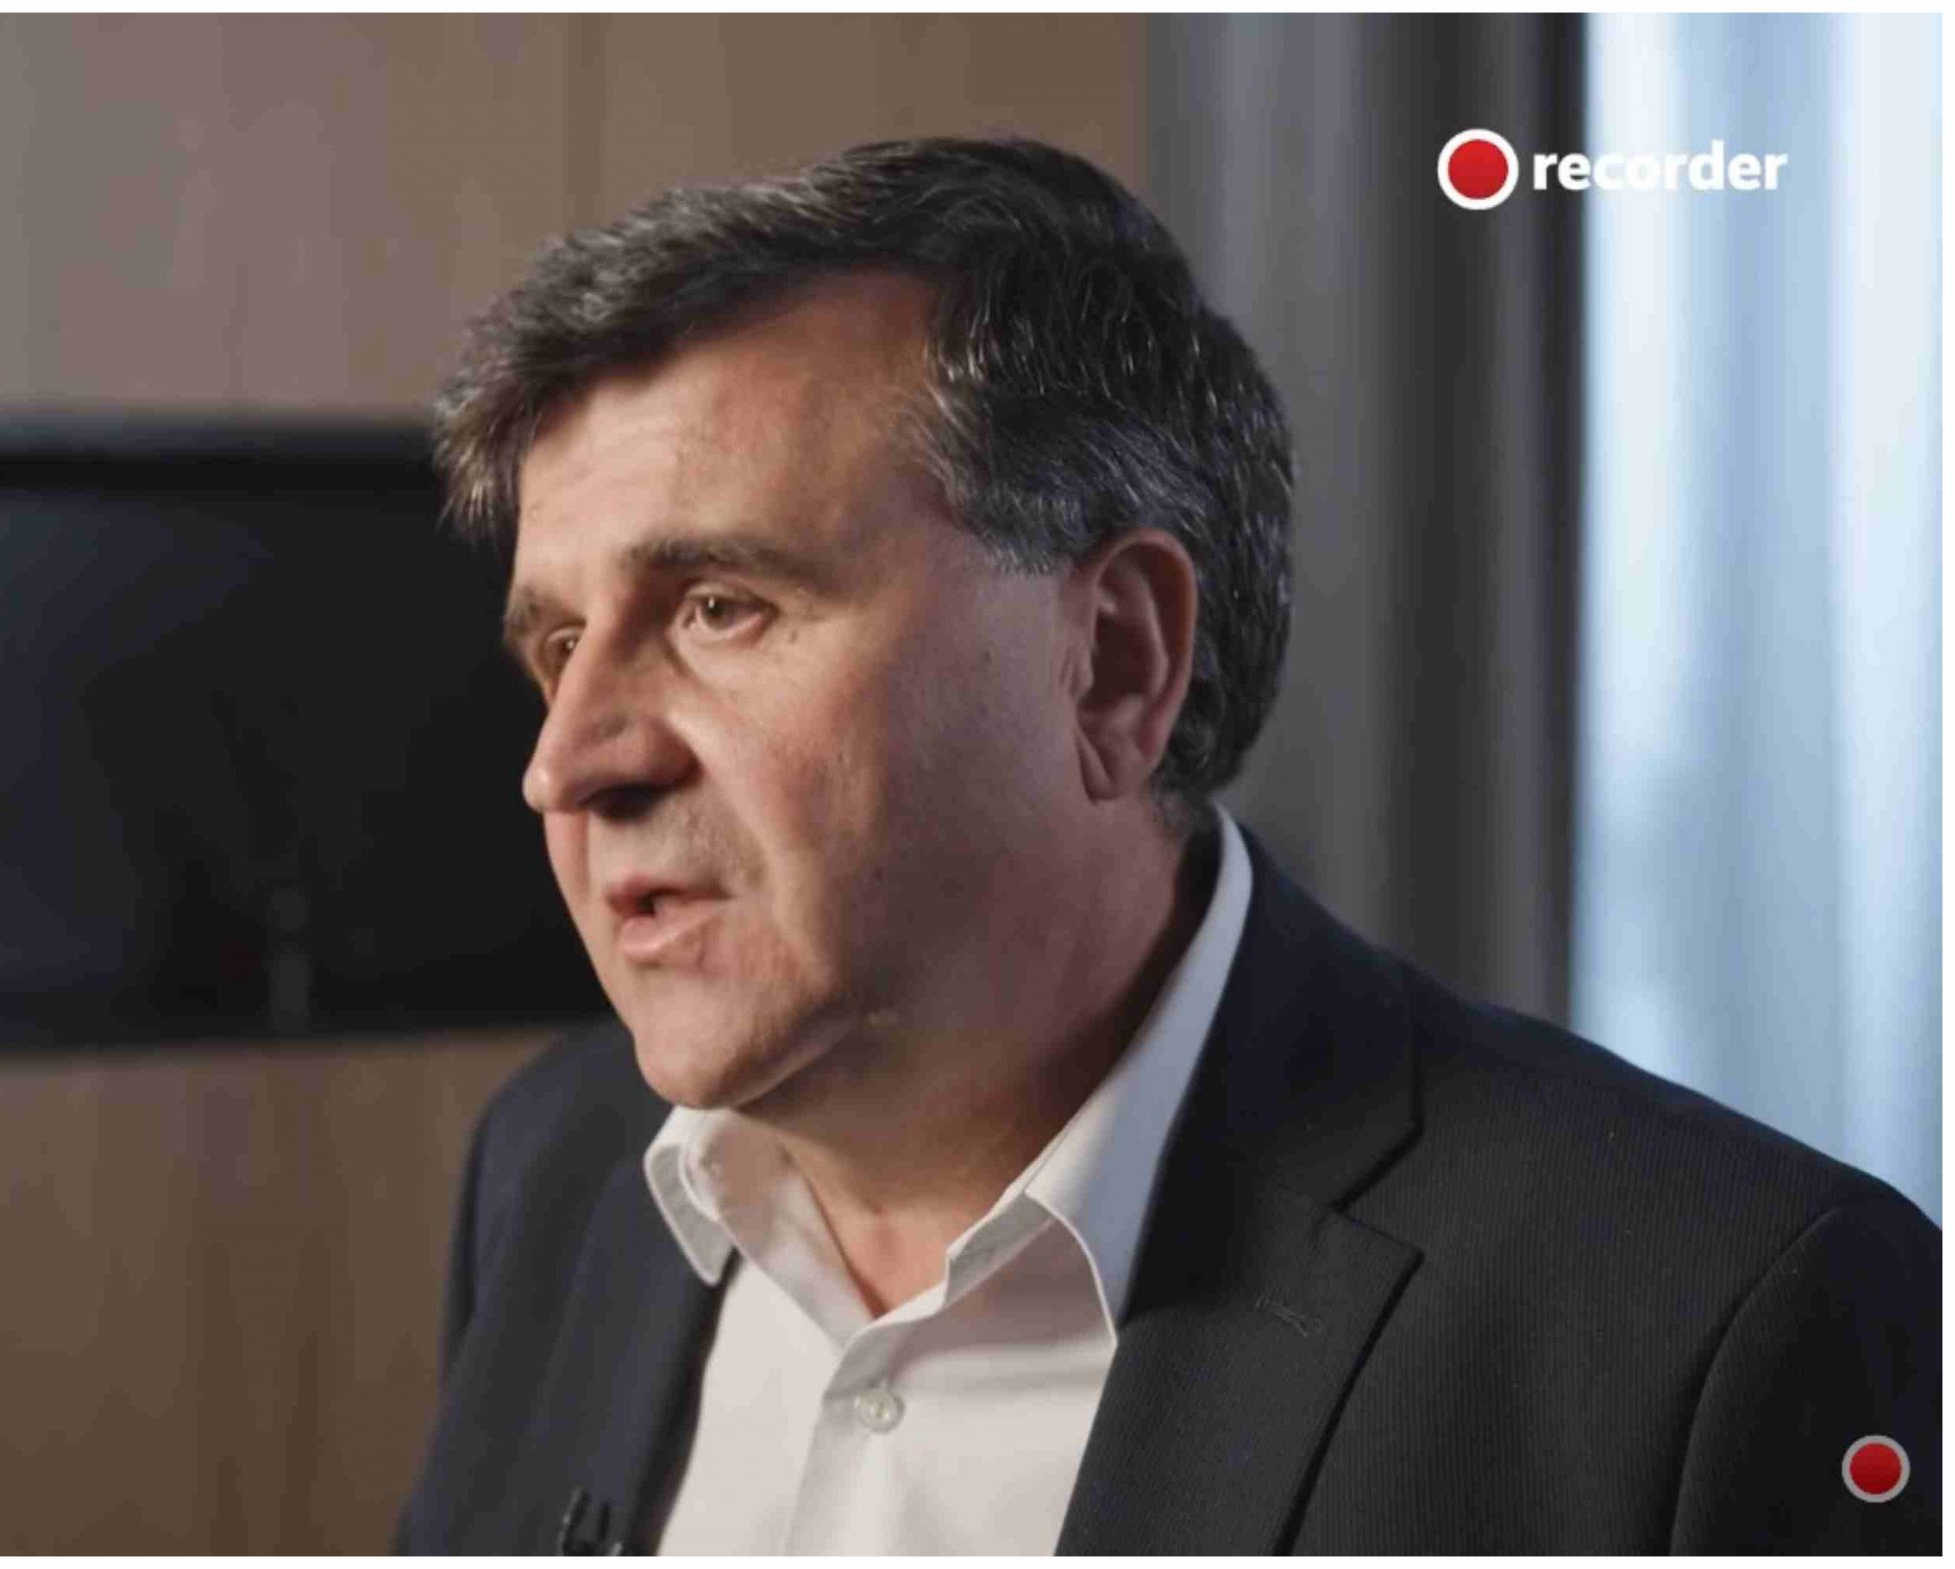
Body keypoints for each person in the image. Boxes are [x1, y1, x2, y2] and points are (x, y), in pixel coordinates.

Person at [393, 137, 1939, 1554]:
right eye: (559, 645)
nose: (567, 762)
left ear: (1116, 664)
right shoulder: (554, 1167)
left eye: (721, 608)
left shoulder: (1734, 1324)